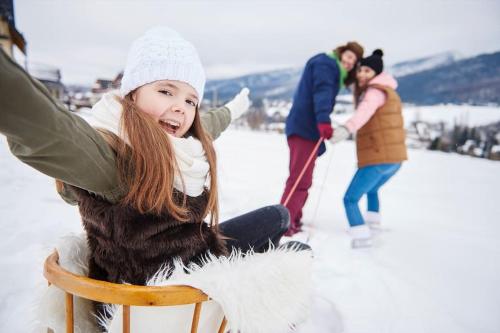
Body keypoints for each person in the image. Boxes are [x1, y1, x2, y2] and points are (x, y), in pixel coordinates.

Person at [0, 27, 307, 288]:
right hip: (166, 292)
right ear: (132, 94)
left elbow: (209, 124)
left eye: (190, 100)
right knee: (294, 247)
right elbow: (49, 128)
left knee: (278, 215)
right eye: (165, 91)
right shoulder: (113, 157)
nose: (180, 107)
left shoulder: (179, 143)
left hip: (191, 256)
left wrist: (234, 108)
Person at [280, 41, 364, 236]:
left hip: (307, 130)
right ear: (342, 53)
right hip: (304, 129)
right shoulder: (326, 65)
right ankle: (283, 223)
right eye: (350, 56)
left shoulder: (330, 67)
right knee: (298, 179)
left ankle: (293, 218)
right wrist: (324, 121)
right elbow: (322, 93)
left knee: (304, 179)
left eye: (355, 60)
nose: (351, 62)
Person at [329, 49, 408, 248]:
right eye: (360, 70)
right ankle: (372, 225)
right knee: (372, 190)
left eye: (367, 71)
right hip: (395, 160)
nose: (362, 74)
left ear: (376, 73)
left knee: (350, 199)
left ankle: (361, 236)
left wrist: (346, 128)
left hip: (378, 158)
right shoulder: (389, 90)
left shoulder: (374, 92)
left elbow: (364, 113)